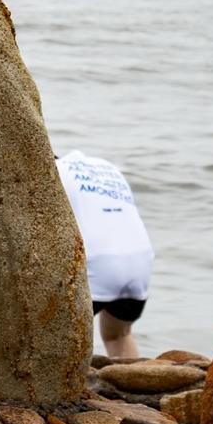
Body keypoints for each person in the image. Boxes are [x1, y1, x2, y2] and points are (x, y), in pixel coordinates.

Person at [56, 150, 153, 361]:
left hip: (97, 266)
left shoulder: (54, 172)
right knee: (118, 335)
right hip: (140, 264)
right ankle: (131, 381)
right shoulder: (106, 168)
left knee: (51, 339)